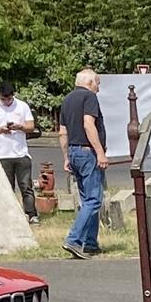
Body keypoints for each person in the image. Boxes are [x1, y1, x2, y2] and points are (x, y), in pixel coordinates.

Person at [58, 68, 106, 260]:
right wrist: (100, 152)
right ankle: (74, 239)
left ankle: (91, 243)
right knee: (94, 199)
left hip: (74, 151)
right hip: (87, 152)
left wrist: (66, 157)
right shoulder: (89, 98)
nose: (98, 89)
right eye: (98, 84)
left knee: (87, 200)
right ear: (90, 83)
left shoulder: (67, 99)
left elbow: (62, 131)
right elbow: (88, 124)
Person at [0, 80, 37, 225]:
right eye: (3, 98)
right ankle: (9, 216)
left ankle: (31, 214)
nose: (7, 101)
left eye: (9, 98)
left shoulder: (22, 106)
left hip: (21, 153)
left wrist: (20, 127)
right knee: (6, 188)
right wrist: (1, 129)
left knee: (26, 186)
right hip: (2, 154)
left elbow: (31, 126)